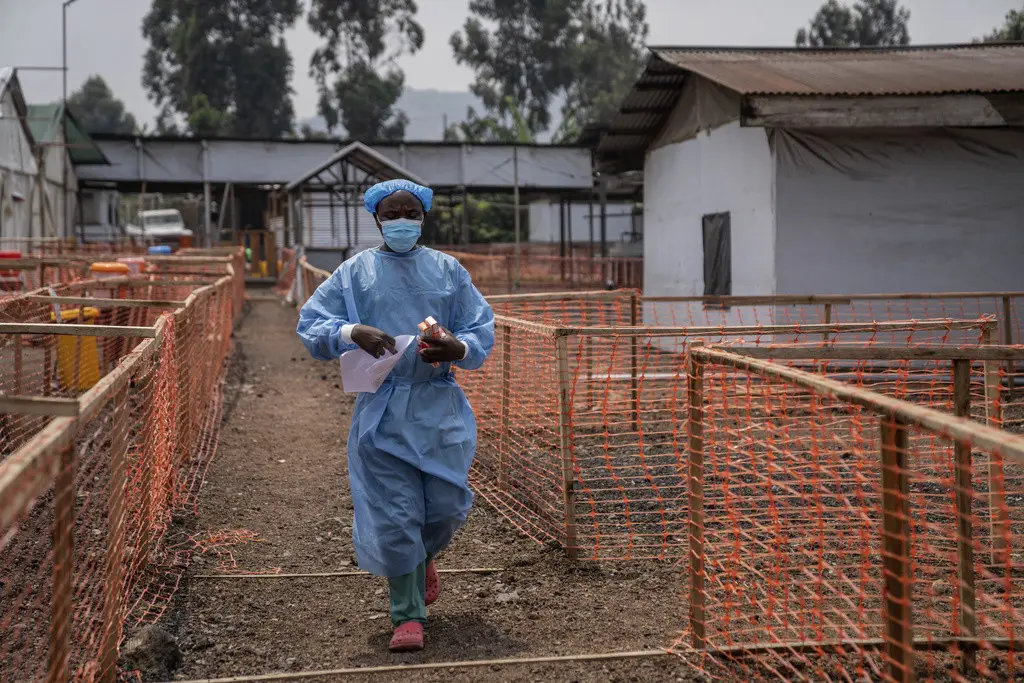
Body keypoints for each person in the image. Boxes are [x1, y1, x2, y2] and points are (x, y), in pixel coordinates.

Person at [296, 179, 494, 652]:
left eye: (410, 211)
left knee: (446, 506)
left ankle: (424, 557)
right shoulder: (354, 273)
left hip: (439, 407)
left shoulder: (448, 271)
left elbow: (478, 328)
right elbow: (311, 324)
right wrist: (350, 331)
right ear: (377, 218)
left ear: (423, 217)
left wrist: (456, 346)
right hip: (381, 411)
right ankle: (407, 616)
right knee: (396, 513)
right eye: (391, 212)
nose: (401, 219)